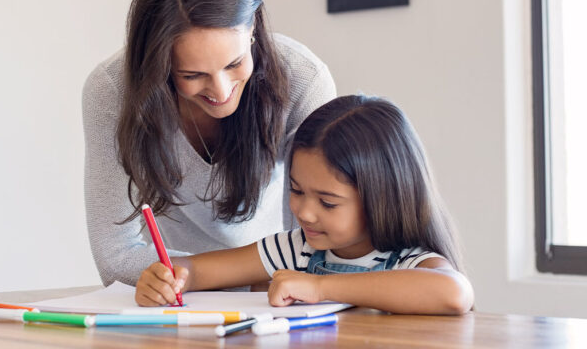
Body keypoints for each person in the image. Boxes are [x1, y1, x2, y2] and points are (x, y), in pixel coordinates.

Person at [82, 0, 336, 286]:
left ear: (254, 28)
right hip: (171, 297)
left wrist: (200, 273)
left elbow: (320, 234)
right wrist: (187, 279)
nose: (220, 90)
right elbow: (115, 254)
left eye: (235, 63)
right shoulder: (112, 91)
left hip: (274, 291)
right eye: (192, 75)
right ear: (158, 65)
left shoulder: (303, 78)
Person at [134, 95, 475, 315]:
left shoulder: (407, 260)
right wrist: (173, 277)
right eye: (296, 191)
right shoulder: (295, 249)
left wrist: (319, 288)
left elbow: (454, 292)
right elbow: (200, 269)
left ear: (382, 198)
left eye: (328, 203)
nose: (304, 213)